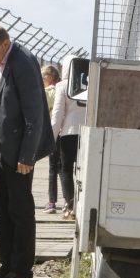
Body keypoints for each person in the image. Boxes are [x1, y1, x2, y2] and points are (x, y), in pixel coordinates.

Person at [0, 24, 54, 278]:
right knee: (1, 207)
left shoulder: (23, 62)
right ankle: (6, 267)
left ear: (4, 44)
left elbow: (35, 114)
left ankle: (21, 272)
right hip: (0, 149)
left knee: (20, 209)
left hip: (19, 153)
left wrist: (27, 155)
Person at [51, 57, 87, 221]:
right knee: (84, 169)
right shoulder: (90, 83)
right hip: (88, 132)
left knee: (65, 169)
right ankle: (84, 203)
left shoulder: (62, 85)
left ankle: (70, 205)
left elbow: (57, 113)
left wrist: (51, 136)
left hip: (69, 132)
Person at [41, 65, 61, 214]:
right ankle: (69, 201)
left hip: (52, 132)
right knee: (65, 169)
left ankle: (52, 201)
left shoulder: (48, 93)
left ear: (49, 77)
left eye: (43, 77)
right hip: (65, 132)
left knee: (53, 168)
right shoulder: (64, 89)